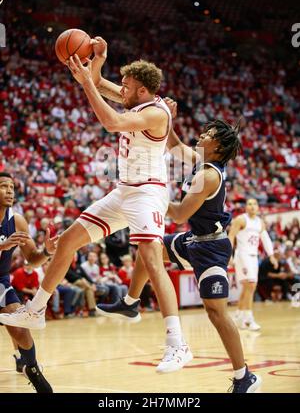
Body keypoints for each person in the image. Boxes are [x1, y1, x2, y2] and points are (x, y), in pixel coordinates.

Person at [0, 40, 192, 373]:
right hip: (124, 191)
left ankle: (178, 344)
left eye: (128, 87)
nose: (123, 90)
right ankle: (36, 310)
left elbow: (112, 123)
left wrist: (87, 82)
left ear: (143, 90)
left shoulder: (153, 112)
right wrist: (97, 63)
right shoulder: (138, 98)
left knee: (151, 259)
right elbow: (102, 84)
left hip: (148, 193)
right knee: (68, 240)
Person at [98, 118, 261, 392]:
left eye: (208, 134)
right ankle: (130, 302)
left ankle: (244, 376)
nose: (201, 134)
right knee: (149, 247)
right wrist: (169, 118)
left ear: (218, 147)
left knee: (216, 313)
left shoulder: (208, 175)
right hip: (194, 239)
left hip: (212, 248)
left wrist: (151, 196)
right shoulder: (200, 160)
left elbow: (180, 213)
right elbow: (173, 144)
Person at [0, 172, 54, 392]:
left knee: (20, 329)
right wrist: (2, 247)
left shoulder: (17, 220)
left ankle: (31, 368)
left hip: (1, 282)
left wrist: (46, 252)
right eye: (4, 186)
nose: (10, 191)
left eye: (12, 187)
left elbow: (32, 258)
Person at [228, 198, 278, 330]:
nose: (252, 206)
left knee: (248, 287)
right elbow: (231, 236)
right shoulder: (240, 220)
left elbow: (265, 239)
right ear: (245, 207)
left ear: (258, 207)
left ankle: (238, 315)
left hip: (254, 257)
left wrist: (271, 255)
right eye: (249, 204)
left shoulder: (260, 222)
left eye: (254, 204)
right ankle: (249, 319)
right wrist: (229, 256)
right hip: (242, 256)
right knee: (250, 285)